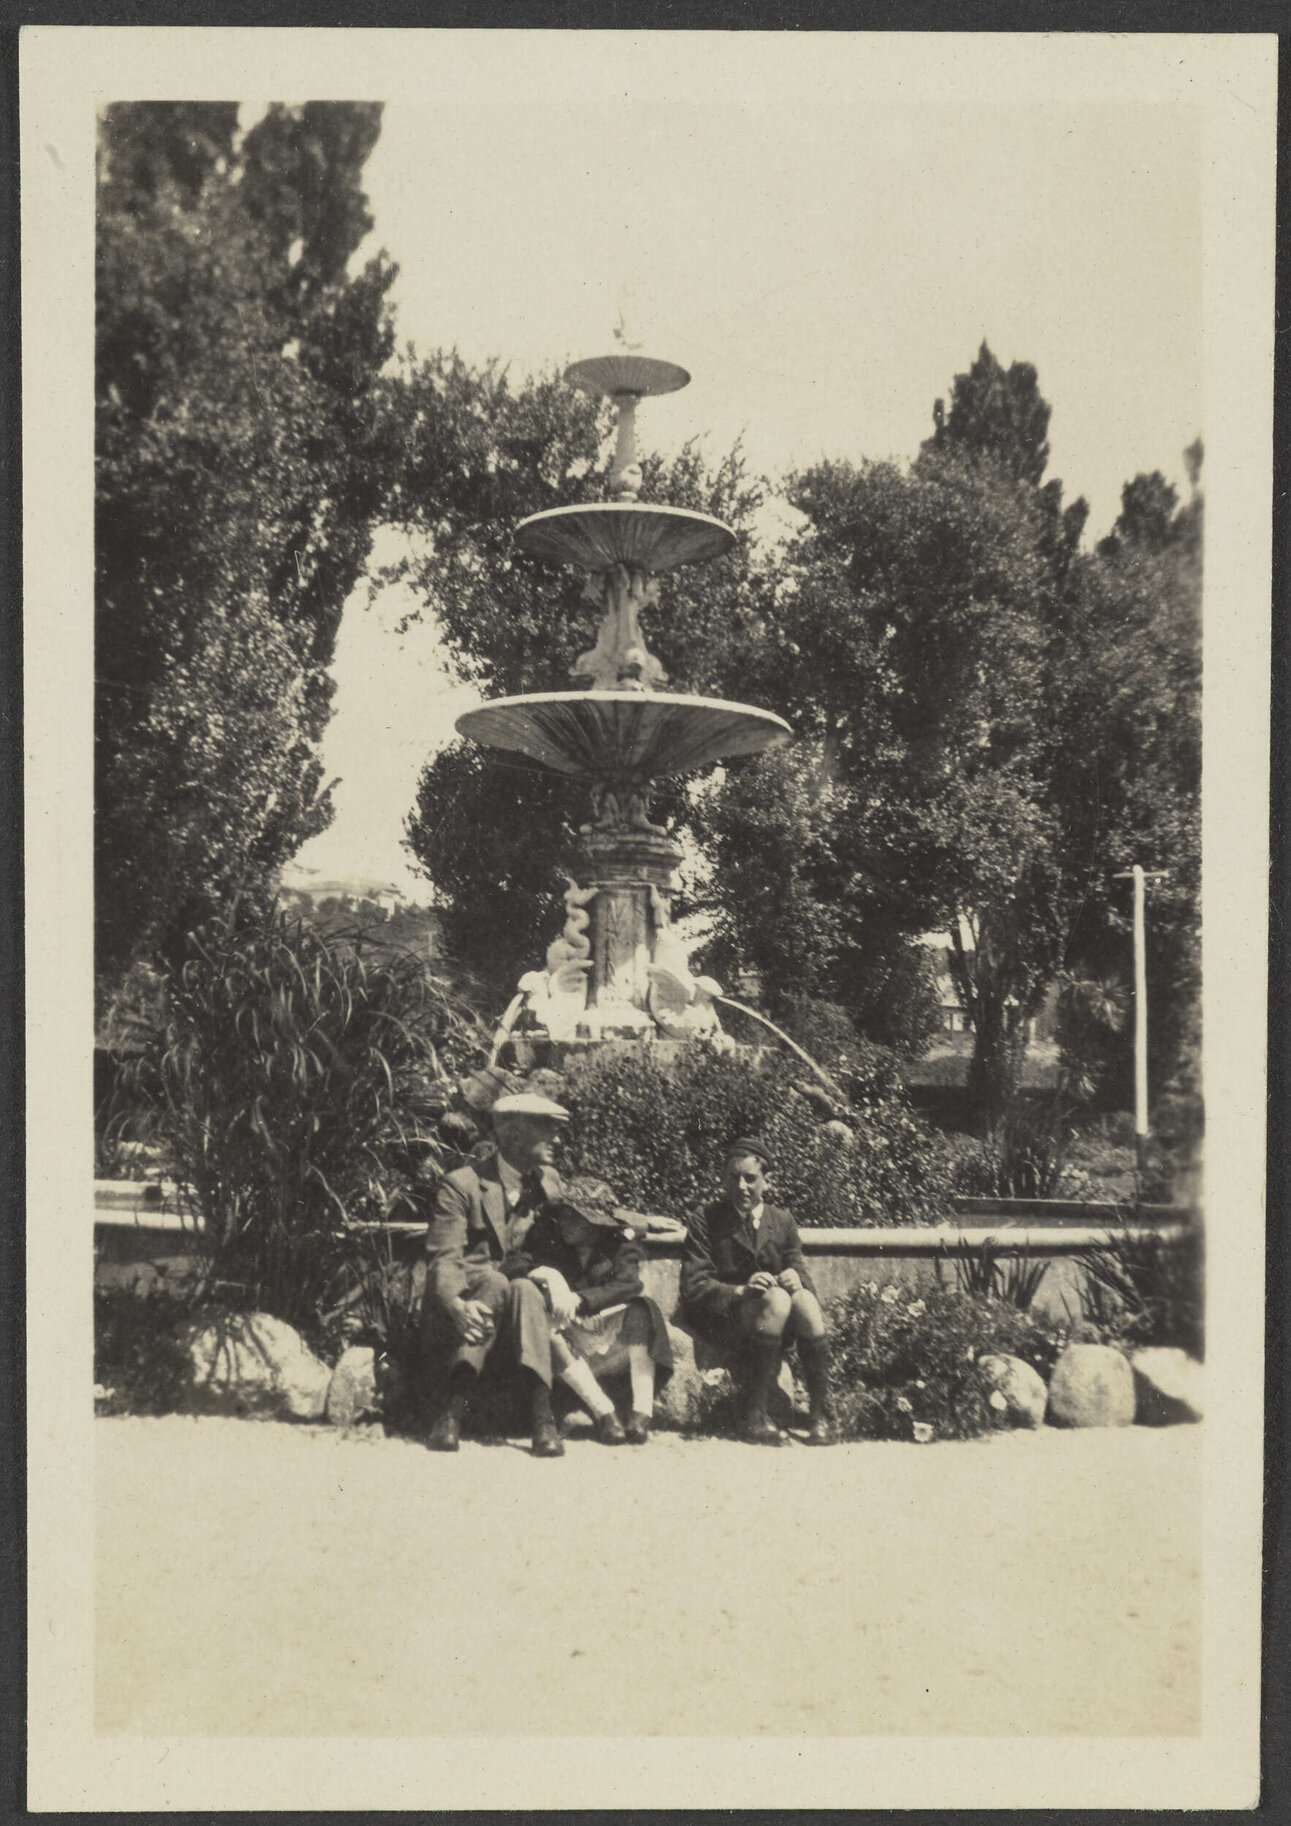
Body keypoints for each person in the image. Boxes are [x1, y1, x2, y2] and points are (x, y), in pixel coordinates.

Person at [420, 1091, 571, 1458]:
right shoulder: (462, 1184)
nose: (557, 1138)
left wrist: (551, 1272)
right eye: (546, 1129)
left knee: (523, 1288)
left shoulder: (549, 1183)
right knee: (498, 1281)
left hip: (519, 1316)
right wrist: (455, 1302)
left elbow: (564, 1242)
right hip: (465, 1310)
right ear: (514, 1136)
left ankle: (541, 1418)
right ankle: (452, 1409)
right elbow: (444, 1255)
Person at [679, 1137, 836, 1446]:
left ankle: (822, 1414)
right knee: (777, 1299)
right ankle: (755, 1414)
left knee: (803, 1299)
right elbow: (693, 1287)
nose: (741, 1186)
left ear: (767, 1181)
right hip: (725, 1319)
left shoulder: (782, 1221)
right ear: (723, 1180)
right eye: (732, 1177)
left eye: (750, 1178)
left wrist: (795, 1279)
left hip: (773, 1324)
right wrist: (739, 1291)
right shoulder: (706, 1219)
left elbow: (801, 1272)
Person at [518, 1179, 673, 1445]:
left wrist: (579, 1299)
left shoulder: (620, 1243)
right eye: (564, 1216)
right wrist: (549, 1274)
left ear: (596, 1223)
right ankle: (604, 1413)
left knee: (643, 1309)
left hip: (612, 1337)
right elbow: (518, 1263)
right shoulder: (552, 1241)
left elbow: (628, 1284)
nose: (565, 1224)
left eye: (575, 1218)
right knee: (545, 1327)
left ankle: (641, 1414)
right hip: (573, 1339)